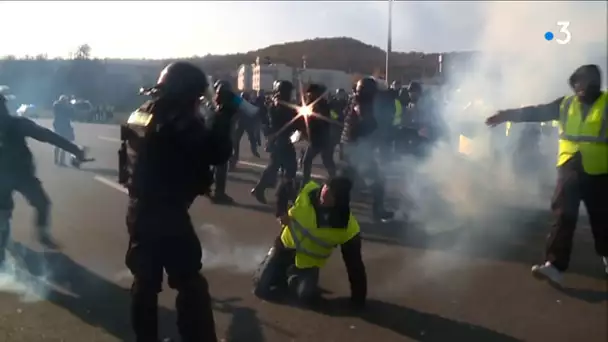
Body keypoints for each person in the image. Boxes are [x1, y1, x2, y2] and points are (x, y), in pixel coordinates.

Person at [119, 61, 236, 342]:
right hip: (167, 210)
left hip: (139, 207)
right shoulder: (177, 117)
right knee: (189, 281)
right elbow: (216, 152)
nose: (197, 103)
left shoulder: (144, 111)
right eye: (195, 97)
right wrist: (224, 114)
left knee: (145, 282)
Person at [485, 64, 608, 283]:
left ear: (594, 83)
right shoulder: (566, 104)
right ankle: (554, 265)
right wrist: (506, 115)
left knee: (602, 219)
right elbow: (536, 111)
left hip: (600, 172)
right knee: (563, 215)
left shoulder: (606, 104)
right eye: (576, 83)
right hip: (569, 167)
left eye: (583, 83)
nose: (579, 88)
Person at [253, 173, 367, 308]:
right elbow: (284, 185)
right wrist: (281, 212)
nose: (325, 195)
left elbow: (355, 265)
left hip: (307, 264)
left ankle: (292, 277)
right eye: (326, 188)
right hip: (284, 249)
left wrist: (358, 300)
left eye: (332, 195)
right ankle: (275, 269)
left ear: (340, 200)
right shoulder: (306, 190)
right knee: (260, 288)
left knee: (304, 297)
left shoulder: (346, 226)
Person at [0, 93, 88, 266]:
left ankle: (37, 235)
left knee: (39, 204)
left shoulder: (17, 124)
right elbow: (47, 135)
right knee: (8, 215)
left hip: (21, 175)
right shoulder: (17, 123)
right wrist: (75, 150)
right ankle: (9, 250)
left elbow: (47, 135)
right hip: (14, 176)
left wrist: (74, 149)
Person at [341, 77, 394, 222]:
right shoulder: (362, 106)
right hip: (357, 149)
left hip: (351, 148)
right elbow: (365, 126)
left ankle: (336, 212)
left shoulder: (356, 102)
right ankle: (378, 211)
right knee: (377, 181)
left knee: (345, 184)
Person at [251, 80, 298, 204]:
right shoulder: (278, 105)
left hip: (282, 140)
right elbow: (281, 121)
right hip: (279, 141)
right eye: (289, 91)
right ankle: (285, 192)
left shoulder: (282, 103)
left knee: (276, 167)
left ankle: (264, 189)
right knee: (288, 167)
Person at [300, 83, 337, 185]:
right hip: (316, 138)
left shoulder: (322, 104)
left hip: (321, 138)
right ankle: (334, 179)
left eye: (310, 93)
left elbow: (326, 120)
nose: (308, 95)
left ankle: (305, 182)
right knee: (326, 160)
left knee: (308, 161)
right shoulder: (309, 104)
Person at [52, 95, 76, 166]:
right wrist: (68, 106)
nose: (65, 102)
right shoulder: (57, 106)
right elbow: (61, 112)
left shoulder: (64, 107)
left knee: (63, 144)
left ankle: (60, 161)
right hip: (59, 126)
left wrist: (70, 107)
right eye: (64, 101)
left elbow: (71, 115)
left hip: (64, 126)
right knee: (59, 144)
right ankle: (57, 160)